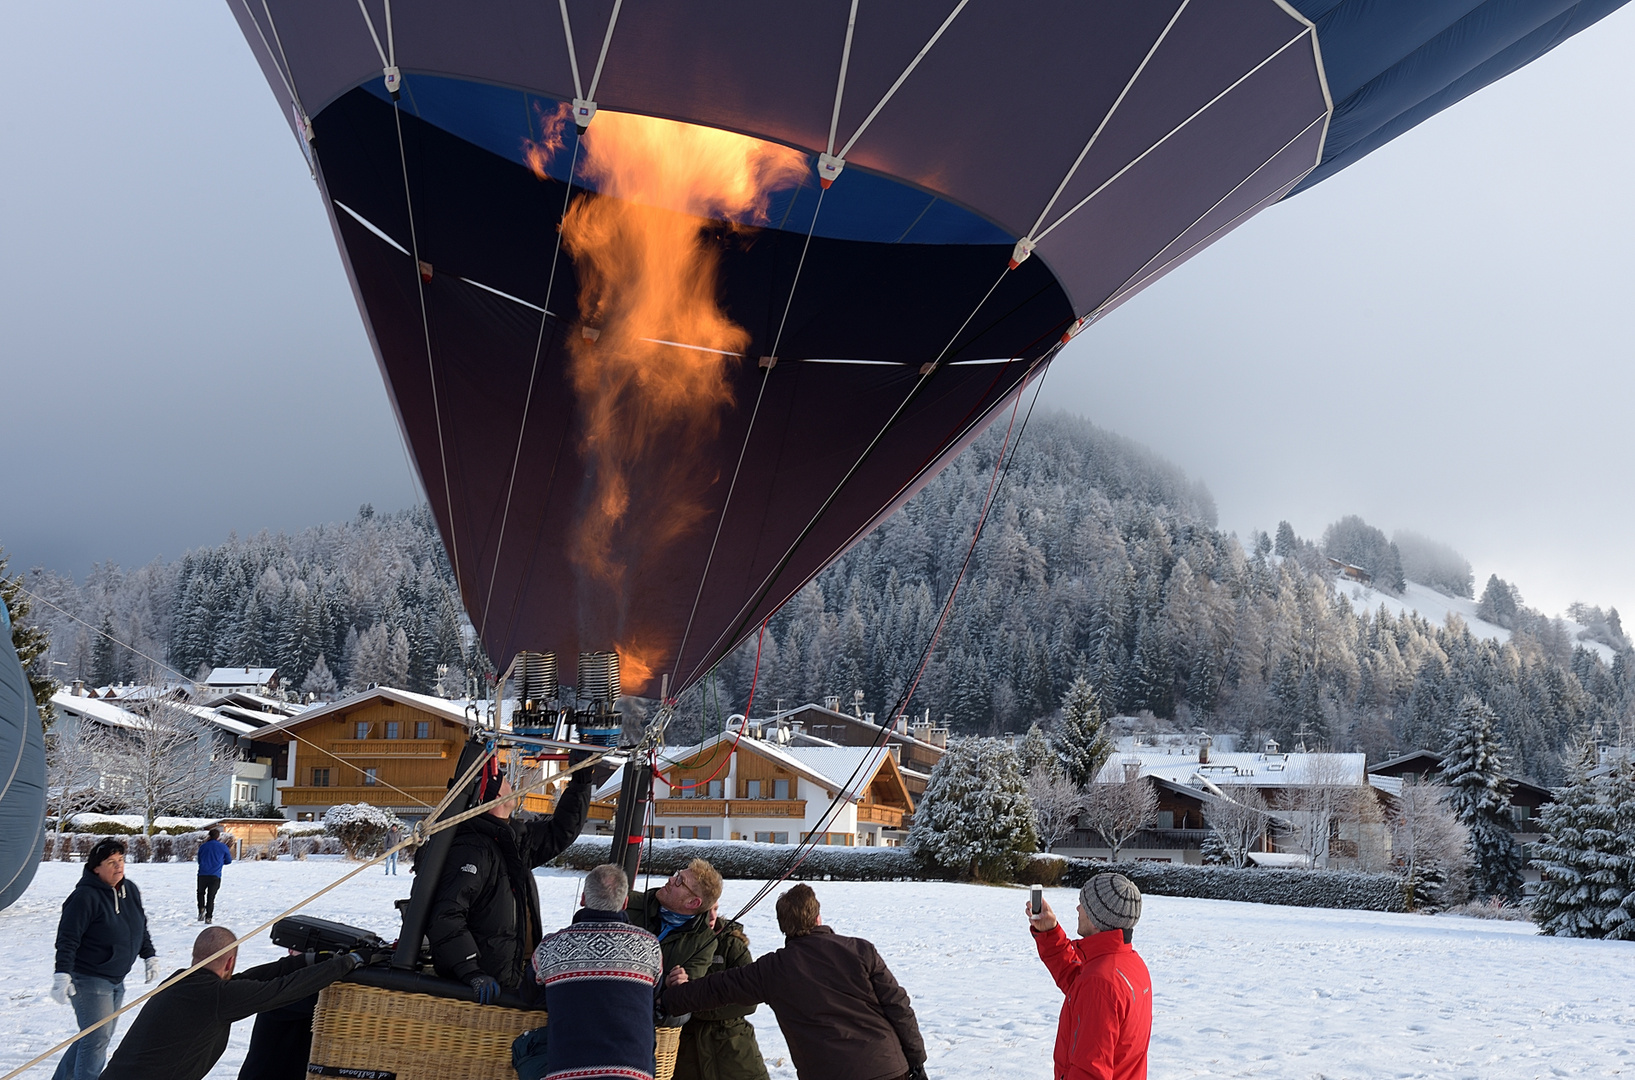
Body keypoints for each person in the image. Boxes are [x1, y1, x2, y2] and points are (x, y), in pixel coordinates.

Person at [663, 884, 926, 1080]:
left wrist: (669, 999)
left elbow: (718, 988)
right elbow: (899, 1007)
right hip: (888, 1067)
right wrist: (916, 1061)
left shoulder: (774, 969)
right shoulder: (860, 950)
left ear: (783, 927)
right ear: (817, 917)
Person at [100, 926, 373, 1080]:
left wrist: (305, 960)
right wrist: (350, 962)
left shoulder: (180, 981)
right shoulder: (217, 998)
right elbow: (282, 990)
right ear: (230, 961)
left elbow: (247, 980)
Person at [427, 758, 592, 999]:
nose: (512, 784)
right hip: (485, 986)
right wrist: (470, 970)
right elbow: (446, 914)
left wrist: (581, 780)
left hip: (513, 973)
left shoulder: (513, 839)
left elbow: (561, 831)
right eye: (505, 781)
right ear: (494, 798)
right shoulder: (472, 849)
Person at [514, 864, 663, 1080]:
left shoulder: (552, 946)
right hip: (633, 1075)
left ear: (583, 898)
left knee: (524, 1048)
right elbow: (653, 991)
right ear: (625, 903)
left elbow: (529, 994)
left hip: (569, 1075)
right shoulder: (649, 945)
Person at [50, 837, 158, 1080]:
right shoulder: (84, 897)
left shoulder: (129, 889)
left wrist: (149, 955)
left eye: (120, 860)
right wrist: (62, 974)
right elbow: (68, 938)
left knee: (95, 1036)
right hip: (89, 979)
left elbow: (139, 924)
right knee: (96, 1039)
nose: (118, 866)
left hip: (116, 978)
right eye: (111, 862)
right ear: (96, 867)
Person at [1026, 873, 1153, 1080]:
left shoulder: (1100, 983)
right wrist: (1049, 933)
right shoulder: (1128, 963)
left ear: (1096, 920)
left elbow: (1090, 1070)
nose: (1078, 909)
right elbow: (1077, 981)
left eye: (1083, 904)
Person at [672, 903, 768, 1080]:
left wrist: (693, 1001)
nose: (711, 916)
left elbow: (750, 999)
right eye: (705, 910)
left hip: (734, 1050)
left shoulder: (732, 945)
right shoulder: (675, 942)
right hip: (686, 1052)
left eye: (715, 908)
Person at [197, 827, 233, 923]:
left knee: (200, 893)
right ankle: (208, 917)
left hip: (202, 874)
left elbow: (199, 860)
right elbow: (229, 860)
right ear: (218, 837)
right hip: (215, 875)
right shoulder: (223, 847)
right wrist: (220, 862)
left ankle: (201, 908)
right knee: (211, 896)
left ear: (209, 835)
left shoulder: (203, 846)